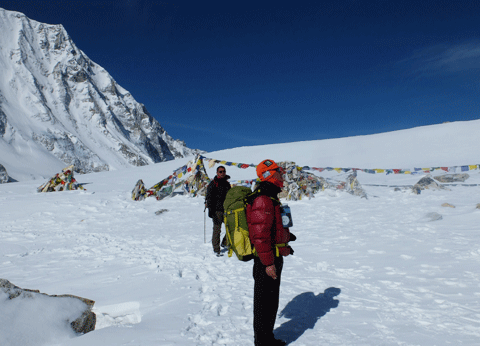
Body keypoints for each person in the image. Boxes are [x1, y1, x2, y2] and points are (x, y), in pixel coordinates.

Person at [247, 159, 295, 346]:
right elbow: (260, 236)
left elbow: (271, 228)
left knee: (270, 301)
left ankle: (267, 338)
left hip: (272, 257)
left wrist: (286, 239)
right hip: (266, 260)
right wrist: (268, 263)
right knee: (264, 303)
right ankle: (263, 342)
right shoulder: (263, 199)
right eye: (278, 172)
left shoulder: (270, 197)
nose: (282, 175)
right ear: (268, 175)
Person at [205, 166, 231, 256]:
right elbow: (209, 198)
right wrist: (211, 212)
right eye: (220, 171)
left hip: (226, 210)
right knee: (217, 230)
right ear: (217, 173)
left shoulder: (227, 184)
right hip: (217, 211)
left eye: (224, 171)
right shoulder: (213, 184)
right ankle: (216, 249)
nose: (222, 173)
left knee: (231, 226)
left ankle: (224, 242)